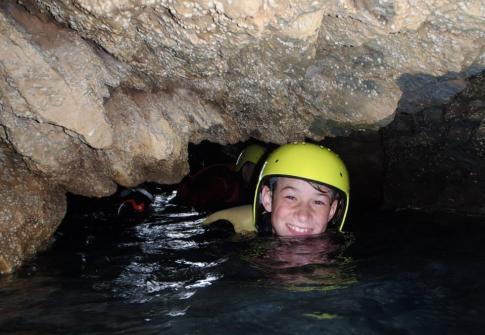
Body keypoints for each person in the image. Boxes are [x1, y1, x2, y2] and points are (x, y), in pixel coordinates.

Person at [204, 142, 350, 236]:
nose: (303, 216)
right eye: (291, 197)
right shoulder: (228, 231)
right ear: (267, 198)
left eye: (318, 202)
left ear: (332, 210)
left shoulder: (337, 251)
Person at [174, 143, 267, 211]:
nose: (259, 174)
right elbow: (197, 206)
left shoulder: (247, 185)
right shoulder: (223, 184)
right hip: (181, 203)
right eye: (256, 169)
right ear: (245, 167)